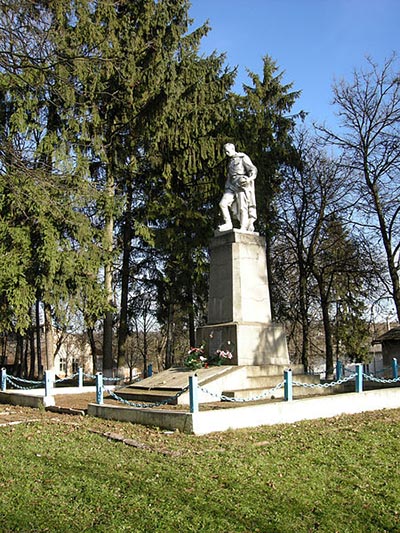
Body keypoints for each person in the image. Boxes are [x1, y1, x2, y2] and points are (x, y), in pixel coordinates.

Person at [218, 143, 257, 232]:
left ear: (232, 149)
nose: (226, 153)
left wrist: (249, 179)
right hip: (231, 185)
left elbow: (252, 169)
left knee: (242, 206)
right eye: (225, 152)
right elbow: (229, 176)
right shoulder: (230, 162)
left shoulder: (242, 157)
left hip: (241, 183)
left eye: (228, 151)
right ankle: (228, 223)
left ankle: (243, 226)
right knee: (223, 203)